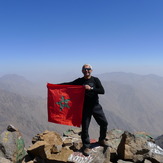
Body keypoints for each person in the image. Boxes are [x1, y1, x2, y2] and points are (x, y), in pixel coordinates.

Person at [61, 64, 108, 156]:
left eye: (88, 69)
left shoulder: (95, 80)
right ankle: (86, 146)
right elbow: (69, 84)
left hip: (95, 106)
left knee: (104, 123)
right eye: (85, 69)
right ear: (82, 71)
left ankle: (102, 139)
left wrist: (90, 88)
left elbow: (102, 91)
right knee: (85, 128)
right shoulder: (80, 81)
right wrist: (53, 86)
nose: (87, 70)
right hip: (85, 107)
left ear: (91, 70)